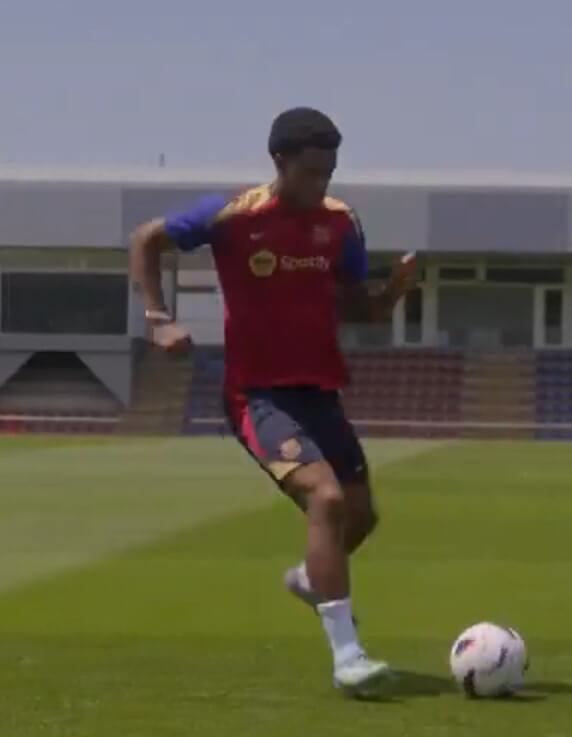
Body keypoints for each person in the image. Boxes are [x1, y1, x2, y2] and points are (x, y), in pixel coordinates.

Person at [129, 107, 415, 697]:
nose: (322, 185)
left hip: (320, 392)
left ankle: (313, 578)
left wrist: (391, 294)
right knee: (327, 499)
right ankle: (348, 657)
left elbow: (357, 307)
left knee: (361, 517)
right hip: (257, 395)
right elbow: (146, 240)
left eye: (330, 172)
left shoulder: (340, 224)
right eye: (312, 172)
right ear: (280, 162)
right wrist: (158, 318)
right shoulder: (232, 217)